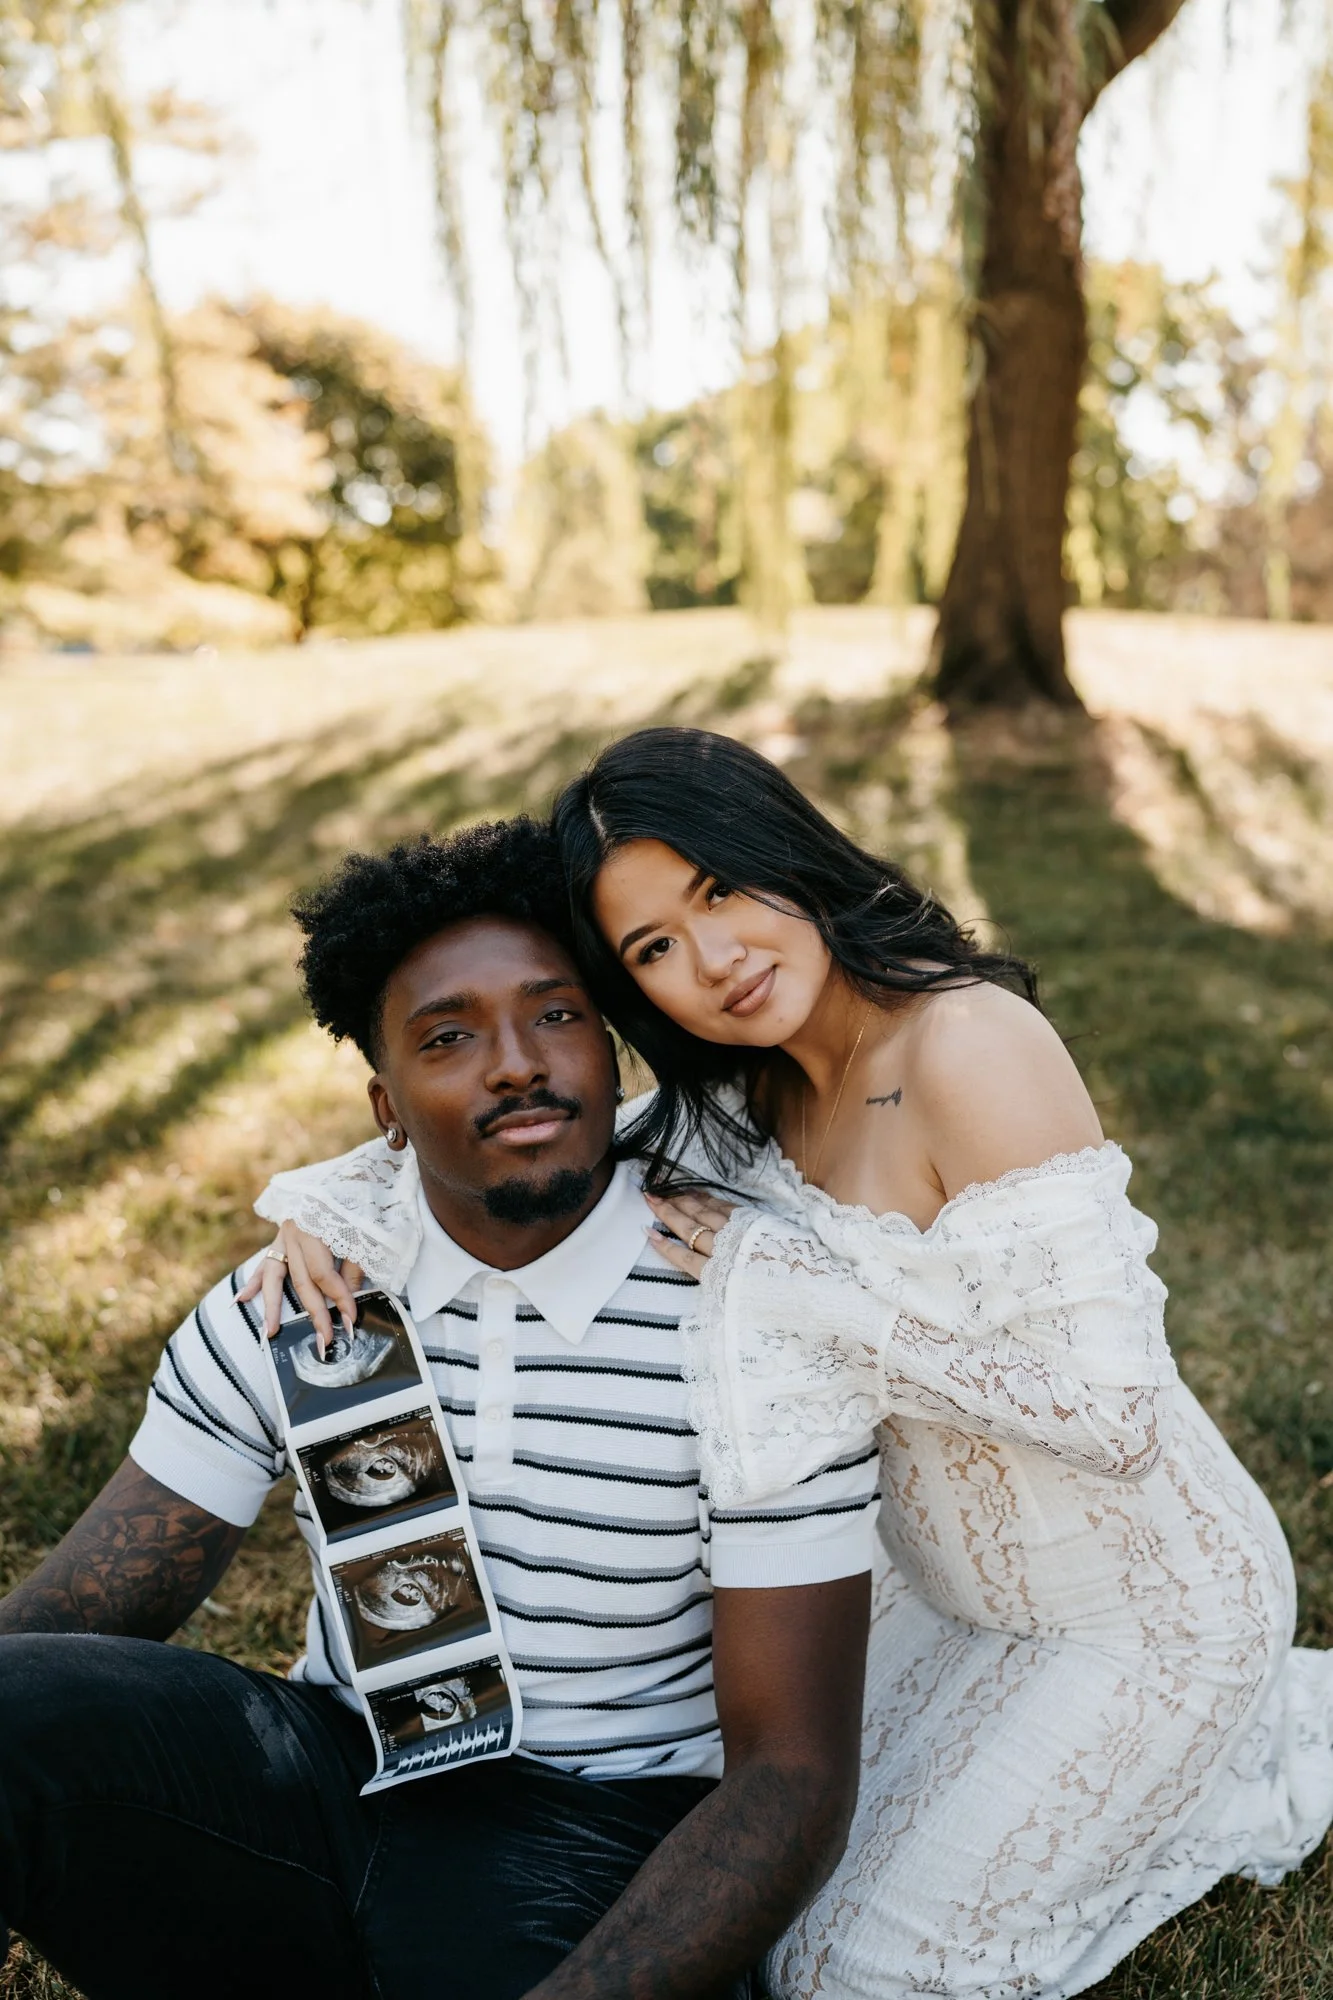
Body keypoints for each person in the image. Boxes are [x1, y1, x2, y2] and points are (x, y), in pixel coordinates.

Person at [258, 727, 1333, 2000]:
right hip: (938, 1603)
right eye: (653, 948)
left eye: (718, 890)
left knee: (845, 1968)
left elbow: (1112, 1413)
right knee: (749, 1897)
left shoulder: (965, 1044)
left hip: (1142, 1606)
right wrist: (325, 1197)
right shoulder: (747, 1091)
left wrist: (802, 1288)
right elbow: (539, 1144)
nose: (711, 961)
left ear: (787, 851)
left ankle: (1224, 1731)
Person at [0, 816, 880, 2000]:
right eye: (449, 1036)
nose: (517, 1062)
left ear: (614, 1050)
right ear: (385, 1103)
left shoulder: (744, 1314)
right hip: (325, 1775)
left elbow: (792, 1776)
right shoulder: (309, 1292)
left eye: (556, 1013)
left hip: (598, 1830)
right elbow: (89, 1612)